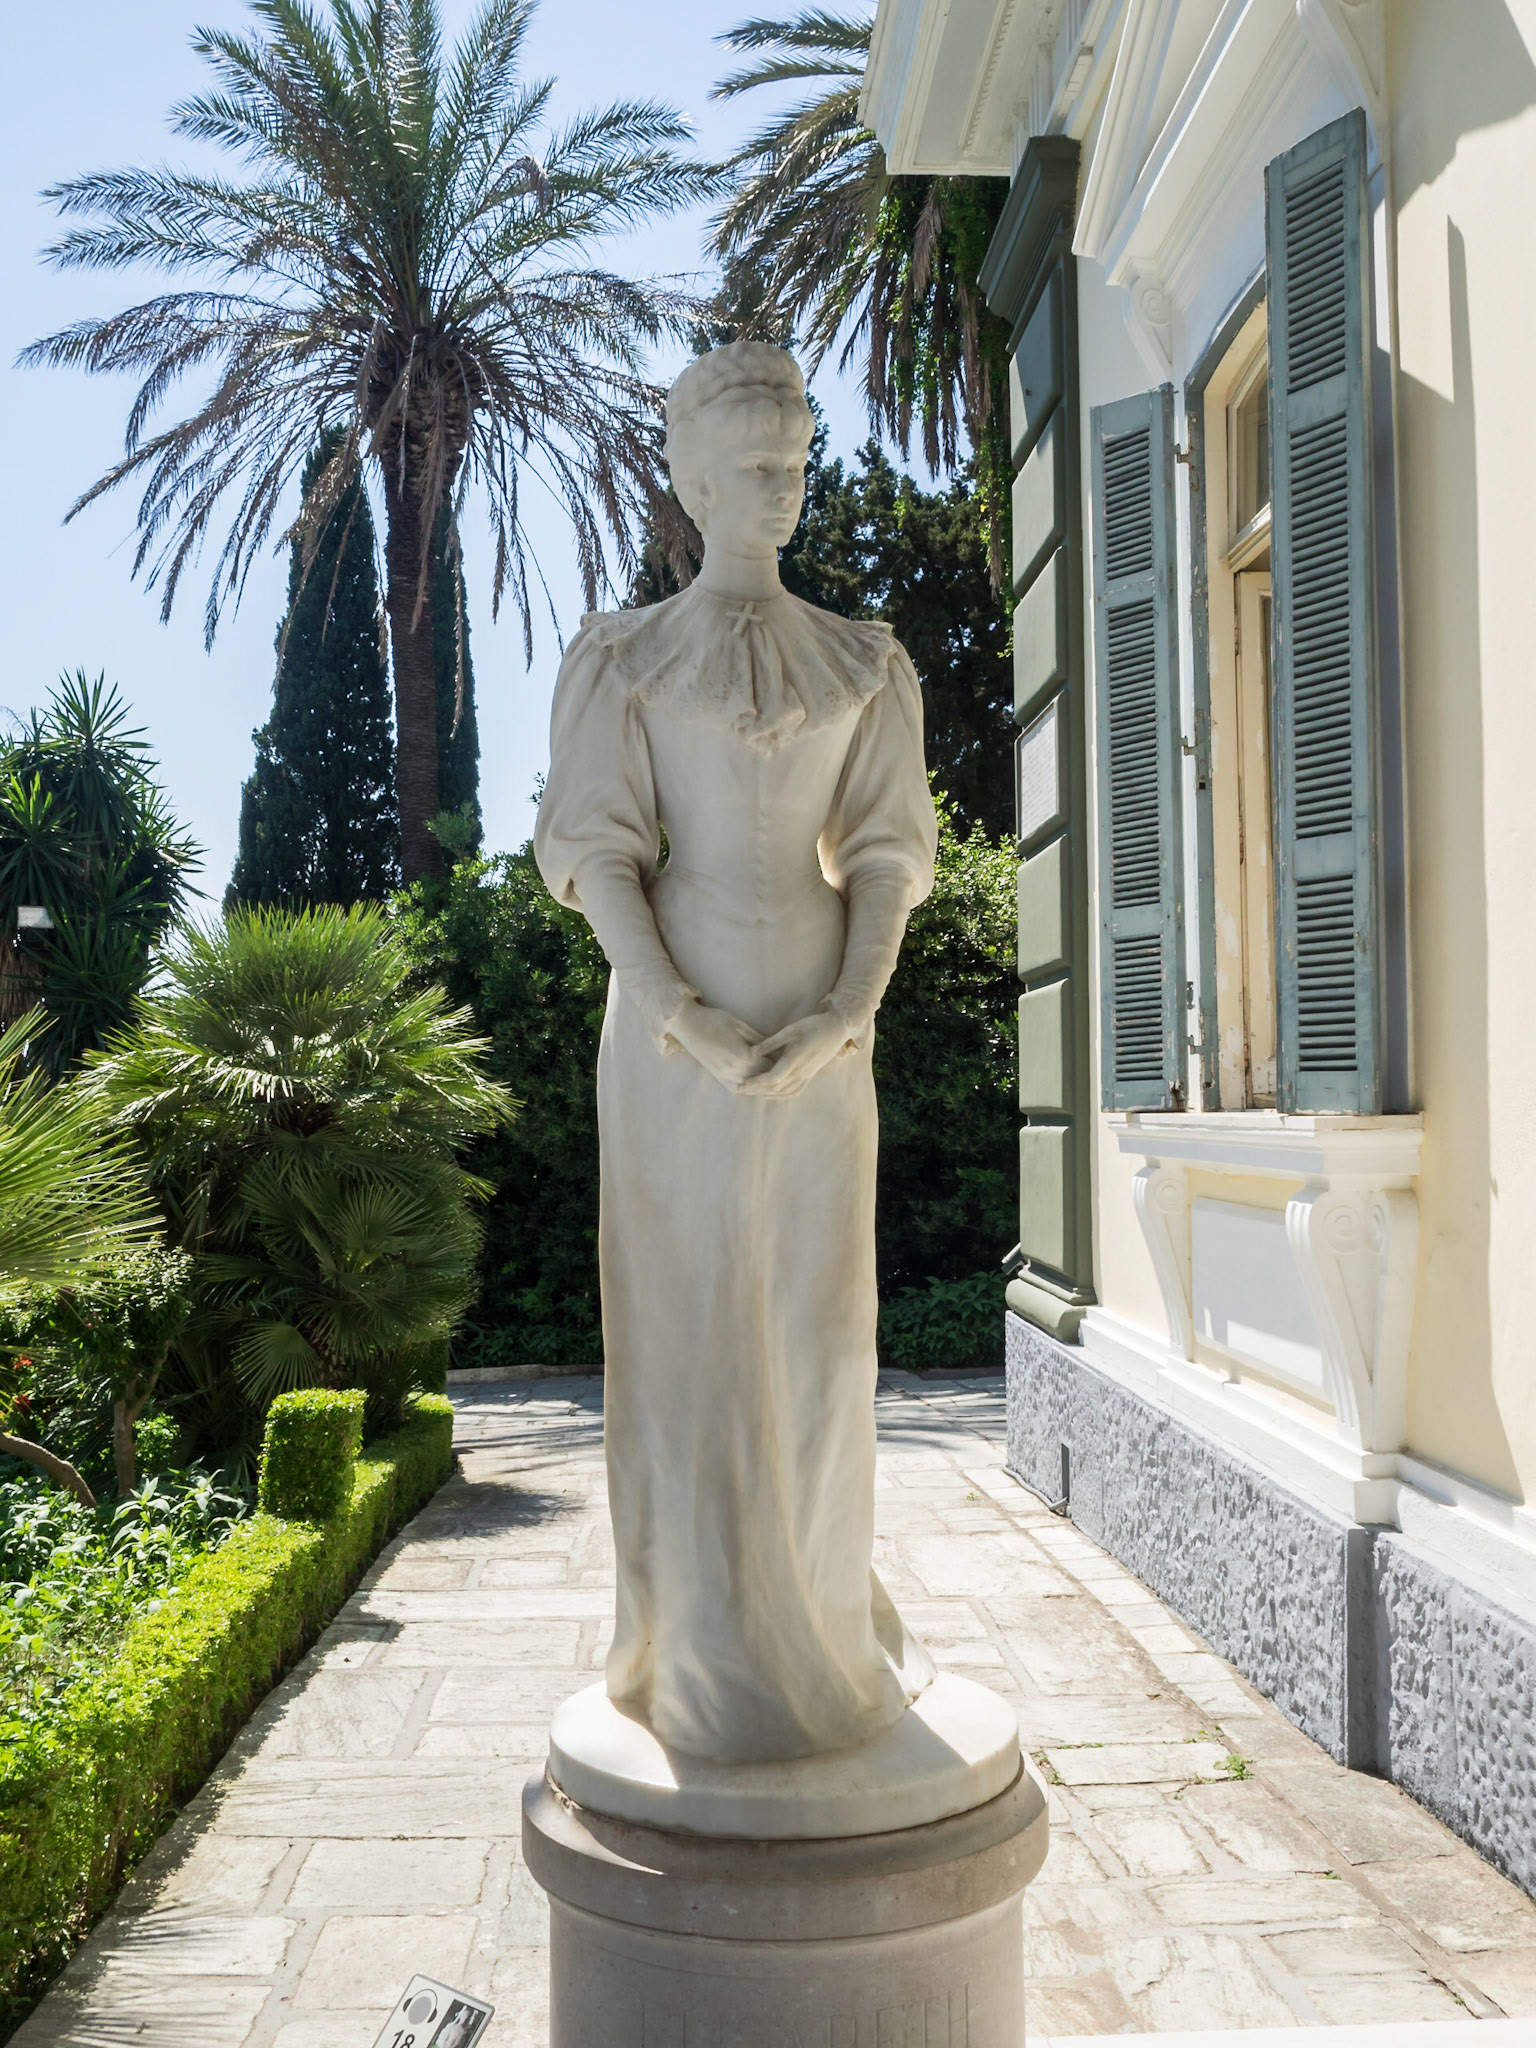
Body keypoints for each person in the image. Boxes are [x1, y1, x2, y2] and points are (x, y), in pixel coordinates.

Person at [535, 341, 938, 1765]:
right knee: (695, 1332)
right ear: (691, 476)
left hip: (827, 1045)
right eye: (756, 463)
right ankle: (696, 1648)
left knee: (818, 1332)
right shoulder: (625, 660)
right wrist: (676, 1013)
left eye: (798, 459)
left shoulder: (866, 660)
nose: (783, 483)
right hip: (669, 1046)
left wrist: (850, 1010)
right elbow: (598, 859)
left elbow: (887, 856)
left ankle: (821, 1626)